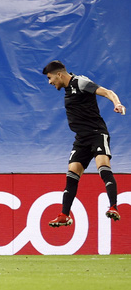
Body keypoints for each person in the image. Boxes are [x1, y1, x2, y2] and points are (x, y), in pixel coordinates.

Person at [42, 60, 125, 227]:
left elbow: (108, 92)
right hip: (81, 139)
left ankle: (114, 207)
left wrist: (117, 103)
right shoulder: (67, 90)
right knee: (72, 174)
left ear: (59, 74)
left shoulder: (80, 82)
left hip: (96, 134)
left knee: (102, 167)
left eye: (50, 78)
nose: (50, 82)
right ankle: (64, 215)